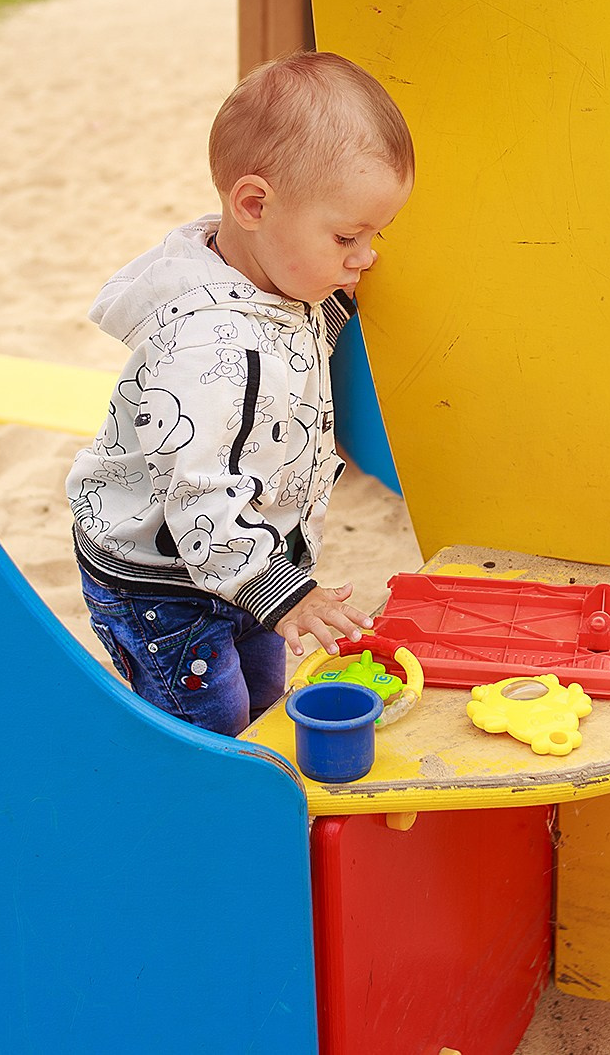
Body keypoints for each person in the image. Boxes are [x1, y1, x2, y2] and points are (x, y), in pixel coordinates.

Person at [67, 51, 415, 736]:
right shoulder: (203, 355)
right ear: (254, 204)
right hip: (160, 581)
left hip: (240, 555)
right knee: (209, 723)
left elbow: (282, 341)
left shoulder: (272, 275)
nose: (366, 255)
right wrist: (288, 595)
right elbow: (199, 497)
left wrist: (340, 296)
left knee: (261, 691)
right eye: (347, 236)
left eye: (375, 235)